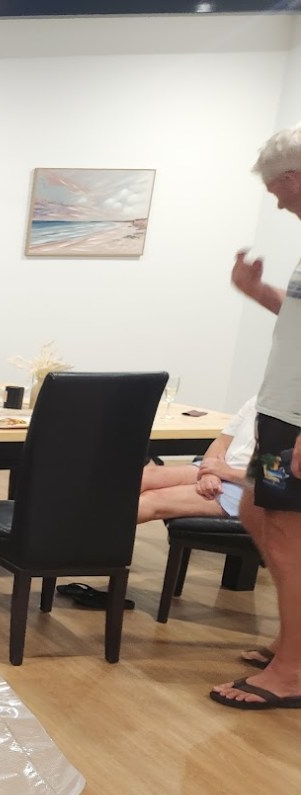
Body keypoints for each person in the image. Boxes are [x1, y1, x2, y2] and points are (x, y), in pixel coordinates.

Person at [211, 123, 301, 709]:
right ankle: (291, 641)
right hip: (280, 412)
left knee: (289, 536)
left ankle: (292, 673)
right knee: (255, 511)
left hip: (296, 421)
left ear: (293, 178)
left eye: (275, 189)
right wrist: (260, 292)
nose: (275, 200)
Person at [136, 396, 256, 523]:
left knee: (152, 500)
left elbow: (273, 481)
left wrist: (225, 472)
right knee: (144, 476)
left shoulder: (278, 421)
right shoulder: (256, 402)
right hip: (220, 468)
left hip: (247, 489)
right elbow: (221, 442)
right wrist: (210, 473)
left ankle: (113, 537)